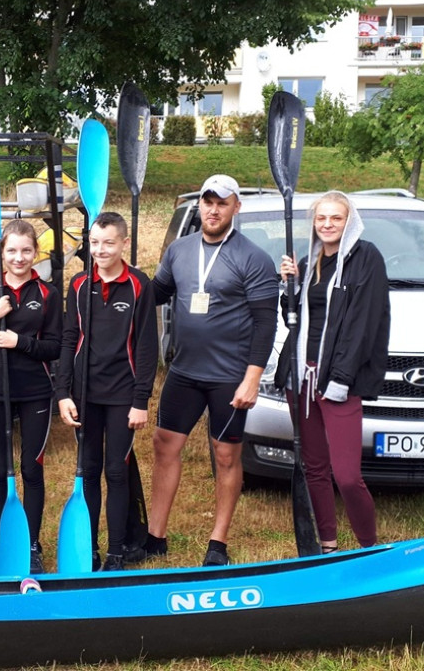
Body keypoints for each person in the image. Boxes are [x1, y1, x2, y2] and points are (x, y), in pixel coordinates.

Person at [141, 174, 279, 567]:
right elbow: (155, 294)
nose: (213, 209)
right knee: (165, 446)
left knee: (225, 455)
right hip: (184, 371)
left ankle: (217, 542)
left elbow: (265, 322)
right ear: (199, 205)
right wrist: (123, 277)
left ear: (237, 207)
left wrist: (252, 377)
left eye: (222, 202)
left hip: (229, 377)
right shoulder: (179, 251)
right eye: (208, 201)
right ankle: (156, 535)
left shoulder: (253, 257)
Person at [277, 190, 390, 552]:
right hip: (303, 377)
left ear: (349, 221)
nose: (327, 224)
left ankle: (368, 547)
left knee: (347, 475)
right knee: (314, 468)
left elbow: (363, 324)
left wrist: (340, 378)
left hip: (337, 381)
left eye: (335, 218)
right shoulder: (310, 262)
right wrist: (289, 285)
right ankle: (328, 544)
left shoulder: (366, 257)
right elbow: (293, 320)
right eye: (321, 218)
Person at [55, 211, 158, 571]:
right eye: (95, 243)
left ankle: (116, 552)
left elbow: (147, 347)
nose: (100, 250)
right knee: (88, 471)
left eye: (108, 243)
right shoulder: (79, 284)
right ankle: (90, 549)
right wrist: (63, 392)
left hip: (121, 395)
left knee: (116, 471)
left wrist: (140, 400)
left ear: (124, 243)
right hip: (84, 394)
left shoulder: (140, 286)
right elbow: (69, 339)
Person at [0, 219, 62, 576]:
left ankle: (33, 545)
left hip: (35, 390)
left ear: (35, 253)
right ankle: (1, 546)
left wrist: (19, 342)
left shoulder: (49, 294)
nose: (19, 257)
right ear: (1, 253)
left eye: (26, 250)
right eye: (12, 250)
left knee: (30, 468)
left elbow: (54, 347)